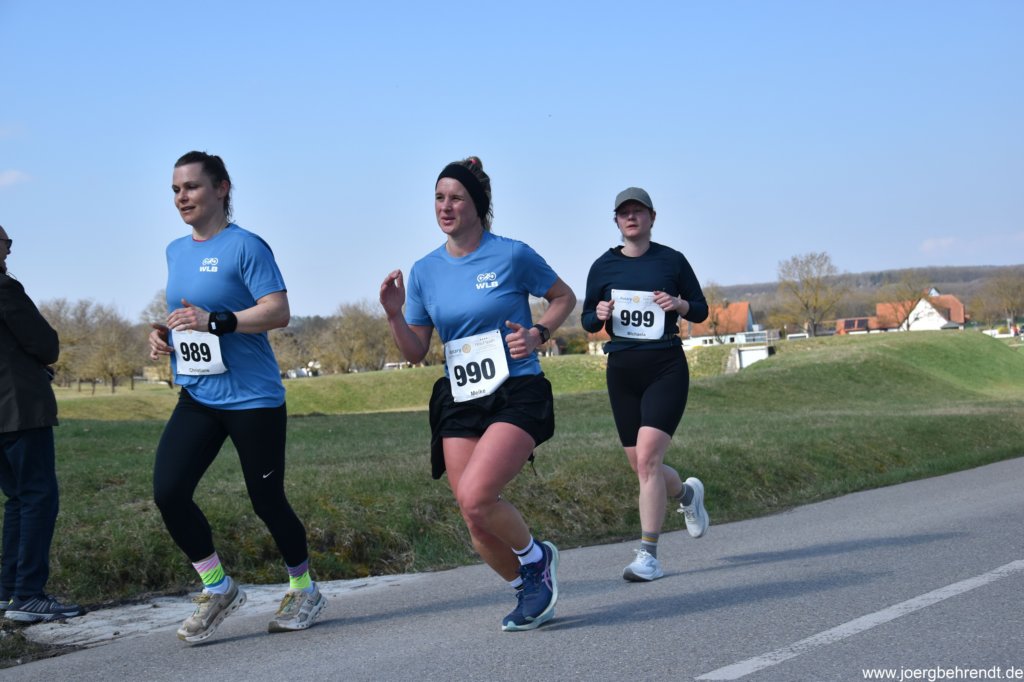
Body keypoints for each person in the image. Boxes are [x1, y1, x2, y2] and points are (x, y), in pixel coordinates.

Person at [379, 156, 576, 631]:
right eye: (439, 198)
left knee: (476, 495)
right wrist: (394, 314)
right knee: (473, 517)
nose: (445, 207)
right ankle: (528, 588)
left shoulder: (512, 255)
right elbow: (415, 352)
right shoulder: (425, 270)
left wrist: (538, 333)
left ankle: (537, 559)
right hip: (461, 396)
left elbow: (564, 297)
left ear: (478, 204)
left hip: (516, 389)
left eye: (456, 198)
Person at [147, 152, 325, 643]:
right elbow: (188, 316)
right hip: (199, 394)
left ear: (221, 188)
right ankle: (218, 587)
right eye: (175, 190)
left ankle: (304, 589)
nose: (181, 197)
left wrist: (216, 321)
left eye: (191, 187)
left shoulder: (246, 246)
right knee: (168, 492)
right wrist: (165, 335)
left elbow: (277, 311)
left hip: (252, 398)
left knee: (267, 500)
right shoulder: (175, 251)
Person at [581, 187, 710, 582]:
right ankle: (687, 494)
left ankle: (648, 556)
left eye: (638, 211)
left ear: (652, 217)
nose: (631, 217)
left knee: (650, 458)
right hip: (622, 371)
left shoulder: (672, 260)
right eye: (624, 212)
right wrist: (599, 313)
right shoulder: (603, 266)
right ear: (616, 220)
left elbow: (700, 309)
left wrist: (679, 304)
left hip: (665, 367)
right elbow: (587, 320)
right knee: (640, 465)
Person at [0, 225, 84, 622]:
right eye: (5, 244)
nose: (8, 252)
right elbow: (46, 345)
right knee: (38, 498)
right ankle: (29, 594)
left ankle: (7, 592)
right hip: (20, 409)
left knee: (18, 499)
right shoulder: (5, 289)